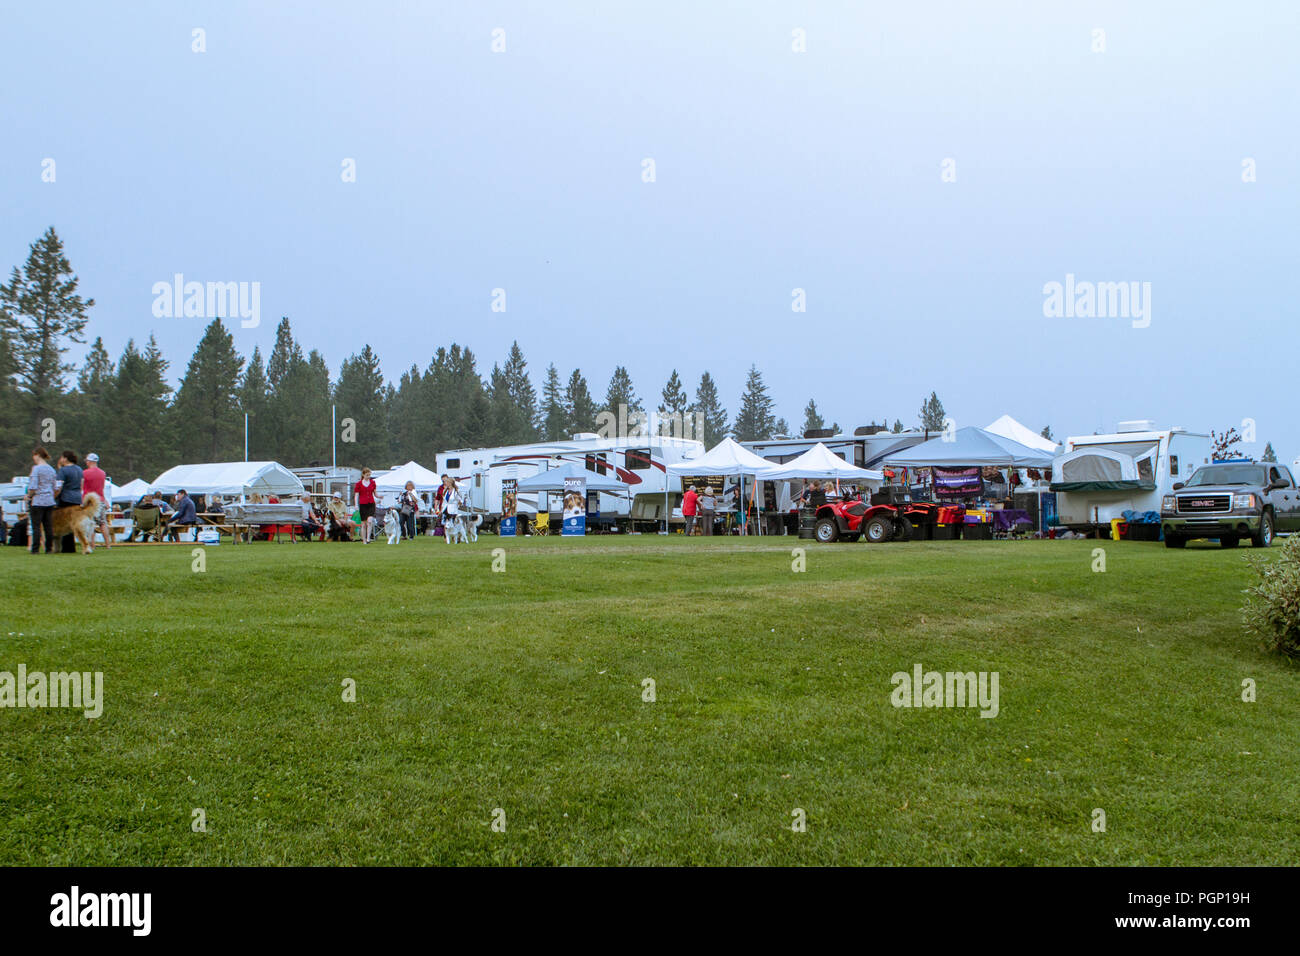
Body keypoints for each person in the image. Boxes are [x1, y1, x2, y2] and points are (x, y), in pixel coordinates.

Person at [25, 447, 57, 554]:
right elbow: (54, 486)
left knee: (36, 527)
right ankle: (49, 548)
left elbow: (33, 486)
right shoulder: (51, 469)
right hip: (49, 500)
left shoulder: (36, 469)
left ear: (37, 455)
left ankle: (35, 549)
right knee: (48, 526)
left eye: (34, 456)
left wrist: (29, 496)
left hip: (38, 500)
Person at [53, 450, 84, 553]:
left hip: (66, 498)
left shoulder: (63, 470)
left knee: (64, 523)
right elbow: (81, 484)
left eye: (62, 457)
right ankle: (71, 547)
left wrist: (54, 496)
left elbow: (59, 486)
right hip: (77, 498)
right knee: (74, 523)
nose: (60, 459)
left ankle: (65, 547)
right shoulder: (79, 469)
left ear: (65, 458)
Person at [354, 467, 379, 543]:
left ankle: (368, 538)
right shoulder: (358, 484)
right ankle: (364, 540)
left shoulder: (372, 482)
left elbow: (375, 493)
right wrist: (356, 505)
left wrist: (379, 497)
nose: (368, 477)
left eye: (369, 475)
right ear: (363, 475)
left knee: (370, 521)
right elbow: (356, 495)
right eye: (367, 475)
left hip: (371, 503)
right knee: (364, 523)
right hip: (363, 504)